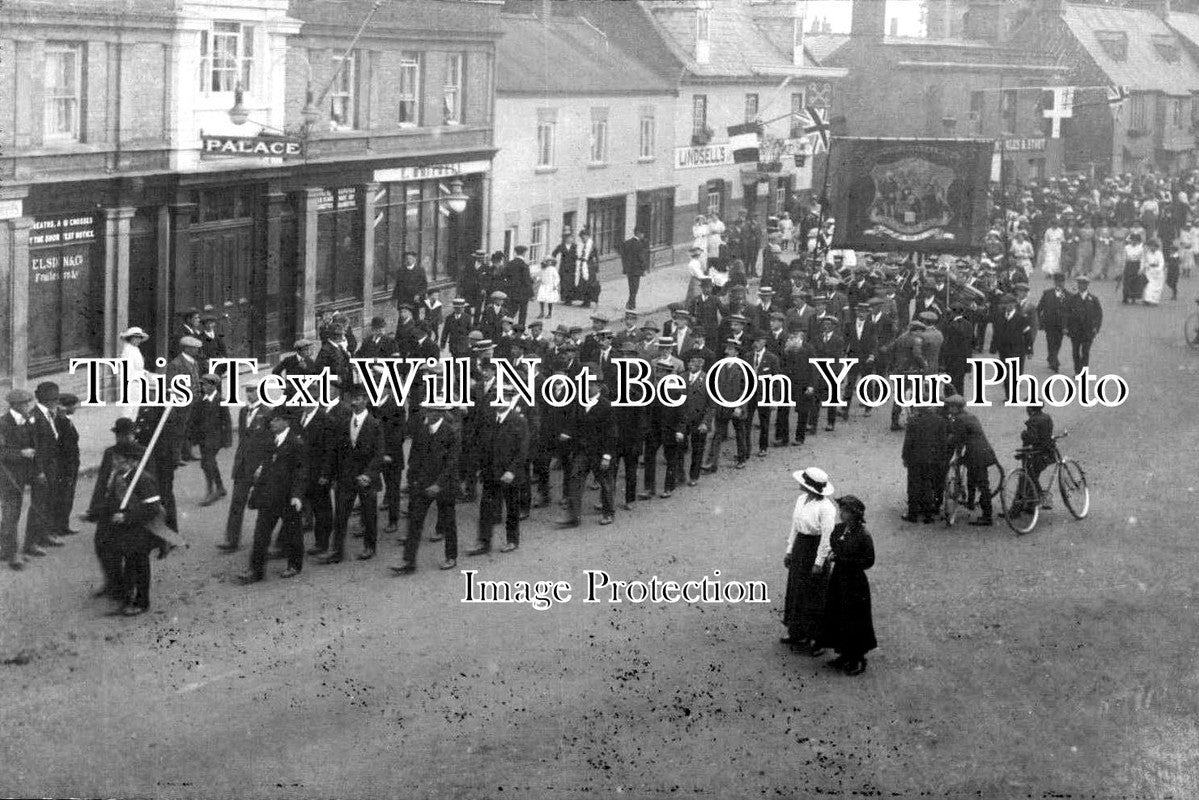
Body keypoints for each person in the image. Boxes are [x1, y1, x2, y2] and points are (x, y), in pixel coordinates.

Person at [84, 441, 169, 615]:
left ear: (132, 462)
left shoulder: (143, 480)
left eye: (120, 460)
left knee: (140, 566)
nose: (115, 463)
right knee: (128, 564)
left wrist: (127, 516)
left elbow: (152, 509)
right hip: (125, 531)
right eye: (116, 460)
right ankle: (126, 598)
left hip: (140, 530)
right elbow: (112, 501)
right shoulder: (119, 477)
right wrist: (94, 513)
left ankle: (142, 602)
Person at [392, 403, 461, 575]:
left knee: (448, 522)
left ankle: (451, 556)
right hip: (422, 483)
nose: (428, 414)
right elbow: (415, 456)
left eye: (432, 411)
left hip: (444, 485)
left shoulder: (451, 432)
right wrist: (412, 479)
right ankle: (408, 561)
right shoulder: (422, 430)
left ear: (441, 413)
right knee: (415, 521)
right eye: (427, 410)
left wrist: (438, 484)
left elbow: (452, 462)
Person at [240, 411, 307, 584]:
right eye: (271, 420)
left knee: (293, 533)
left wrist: (297, 496)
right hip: (268, 496)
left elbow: (301, 472)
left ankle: (294, 565)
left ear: (286, 422)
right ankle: (256, 571)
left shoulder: (296, 443)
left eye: (276, 420)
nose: (272, 423)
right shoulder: (271, 440)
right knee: (260, 533)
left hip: (287, 498)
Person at [817, 495, 877, 676]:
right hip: (839, 579)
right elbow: (833, 545)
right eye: (841, 510)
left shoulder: (863, 535)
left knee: (854, 618)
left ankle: (857, 658)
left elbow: (868, 561)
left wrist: (842, 559)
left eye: (846, 511)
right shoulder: (839, 529)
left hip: (855, 582)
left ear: (855, 514)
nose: (841, 514)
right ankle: (843, 653)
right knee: (838, 614)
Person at [780, 467, 837, 656]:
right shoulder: (801, 500)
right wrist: (789, 550)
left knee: (814, 594)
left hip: (815, 549)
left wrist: (819, 562)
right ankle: (797, 632)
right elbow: (794, 526)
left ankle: (816, 639)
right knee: (797, 589)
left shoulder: (826, 508)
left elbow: (827, 537)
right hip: (801, 547)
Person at [326, 385, 383, 564]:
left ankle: (369, 547)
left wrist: (369, 474)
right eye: (352, 398)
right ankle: (337, 551)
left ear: (365, 401)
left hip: (366, 478)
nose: (354, 402)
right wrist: (334, 476)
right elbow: (337, 452)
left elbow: (379, 453)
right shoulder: (344, 422)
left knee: (368, 514)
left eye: (358, 399)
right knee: (341, 514)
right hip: (346, 477)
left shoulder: (375, 424)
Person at [87, 418, 141, 596]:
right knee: (102, 545)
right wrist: (94, 507)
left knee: (128, 550)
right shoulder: (110, 452)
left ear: (133, 434)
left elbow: (150, 482)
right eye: (119, 435)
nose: (123, 438)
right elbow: (102, 481)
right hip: (109, 506)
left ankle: (127, 588)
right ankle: (112, 582)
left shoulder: (143, 453)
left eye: (127, 435)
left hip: (132, 507)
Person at [469, 398, 529, 555]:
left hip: (510, 474)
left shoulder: (518, 421)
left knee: (512, 508)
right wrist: (479, 467)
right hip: (491, 472)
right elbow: (482, 445)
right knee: (486, 508)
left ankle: (512, 540)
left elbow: (522, 450)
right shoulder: (489, 419)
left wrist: (512, 471)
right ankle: (483, 541)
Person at [219, 383, 270, 553]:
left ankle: (265, 541)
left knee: (266, 505)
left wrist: (263, 466)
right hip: (243, 465)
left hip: (259, 466)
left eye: (253, 390)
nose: (250, 394)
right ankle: (232, 540)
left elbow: (271, 443)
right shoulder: (243, 412)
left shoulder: (268, 413)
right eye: (247, 391)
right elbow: (242, 439)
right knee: (237, 502)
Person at [0, 389, 40, 570]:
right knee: (11, 514)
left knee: (13, 513)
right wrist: (21, 453)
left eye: (28, 402)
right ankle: (13, 554)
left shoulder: (27, 420)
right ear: (15, 405)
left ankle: (5, 550)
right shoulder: (3, 424)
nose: (28, 406)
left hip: (23, 473)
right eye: (25, 403)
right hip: (7, 475)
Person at [944, 395, 998, 527]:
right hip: (982, 451)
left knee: (982, 484)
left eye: (951, 407)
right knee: (973, 478)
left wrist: (946, 445)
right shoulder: (970, 416)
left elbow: (957, 439)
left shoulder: (959, 420)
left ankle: (987, 516)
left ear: (956, 407)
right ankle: (971, 502)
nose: (949, 409)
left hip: (976, 455)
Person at [901, 406, 949, 524]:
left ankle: (913, 514)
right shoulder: (940, 420)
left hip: (915, 459)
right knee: (928, 485)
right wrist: (942, 459)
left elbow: (908, 441)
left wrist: (905, 457)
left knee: (913, 486)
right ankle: (928, 515)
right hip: (932, 460)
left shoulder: (913, 421)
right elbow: (943, 442)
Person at [192, 374, 232, 507]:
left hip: (215, 438)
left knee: (207, 462)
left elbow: (227, 421)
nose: (203, 387)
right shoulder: (200, 401)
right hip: (203, 438)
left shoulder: (221, 400)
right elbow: (195, 420)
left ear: (213, 386)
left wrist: (227, 440)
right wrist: (193, 437)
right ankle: (220, 487)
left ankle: (210, 491)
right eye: (202, 384)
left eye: (205, 384)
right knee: (208, 463)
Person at [53, 394, 81, 538]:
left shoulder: (66, 420)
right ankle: (58, 527)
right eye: (74, 404)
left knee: (68, 496)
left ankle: (63, 525)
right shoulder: (60, 421)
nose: (76, 407)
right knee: (63, 497)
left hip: (71, 465)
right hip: (65, 466)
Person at [1019, 403, 1055, 510]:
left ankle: (1015, 511)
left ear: (1030, 408)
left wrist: (1024, 434)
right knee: (1032, 478)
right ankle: (1031, 505)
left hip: (1036, 455)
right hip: (1046, 454)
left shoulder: (1033, 420)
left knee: (1024, 479)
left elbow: (1032, 438)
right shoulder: (1047, 417)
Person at [1067, 275, 1103, 374]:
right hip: (1075, 331)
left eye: (1084, 284)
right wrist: (1067, 327)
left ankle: (1083, 372)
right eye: (1080, 284)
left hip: (1088, 331)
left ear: (1087, 285)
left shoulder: (1093, 299)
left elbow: (1099, 315)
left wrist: (1096, 328)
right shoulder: (1073, 298)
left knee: (1085, 352)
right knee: (1075, 352)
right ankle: (1077, 370)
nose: (1081, 286)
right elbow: (1067, 313)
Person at [1037, 274, 1071, 373]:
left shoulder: (1069, 295)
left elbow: (1070, 312)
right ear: (1054, 282)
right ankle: (1054, 361)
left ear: (1064, 282)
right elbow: (1039, 308)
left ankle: (1051, 357)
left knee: (1058, 343)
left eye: (1061, 282)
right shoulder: (1047, 293)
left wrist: (1068, 325)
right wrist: (1039, 320)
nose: (1059, 284)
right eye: (1057, 282)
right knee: (1051, 342)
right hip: (1049, 323)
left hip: (1061, 325)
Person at [118, 326, 149, 416]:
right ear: (130, 338)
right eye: (135, 338)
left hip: (138, 381)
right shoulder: (128, 350)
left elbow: (139, 367)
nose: (138, 340)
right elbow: (128, 369)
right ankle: (125, 426)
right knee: (129, 407)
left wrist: (145, 374)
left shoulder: (135, 349)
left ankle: (131, 425)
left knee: (135, 407)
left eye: (139, 338)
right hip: (131, 382)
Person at [620, 227, 650, 311]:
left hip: (629, 270)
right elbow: (641, 258)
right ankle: (631, 304)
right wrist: (644, 269)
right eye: (642, 234)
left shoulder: (627, 243)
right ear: (638, 233)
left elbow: (624, 257)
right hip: (636, 270)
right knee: (635, 288)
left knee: (631, 287)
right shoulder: (639, 245)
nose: (643, 235)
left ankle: (630, 303)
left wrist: (625, 268)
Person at [1122, 232, 1144, 304]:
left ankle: (1133, 298)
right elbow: (1124, 258)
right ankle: (1125, 297)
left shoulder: (1141, 249)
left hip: (1136, 265)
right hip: (1129, 265)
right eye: (1132, 240)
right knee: (1127, 282)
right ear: (1130, 240)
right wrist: (1123, 267)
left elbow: (1142, 259)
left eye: (1135, 240)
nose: (1134, 241)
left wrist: (1141, 269)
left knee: (1135, 282)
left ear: (1138, 241)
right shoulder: (1127, 247)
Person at [1142, 238, 1165, 306]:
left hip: (1158, 271)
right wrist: (1145, 267)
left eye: (1154, 246)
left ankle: (1155, 301)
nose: (1152, 248)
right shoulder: (1147, 253)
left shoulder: (1159, 253)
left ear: (1156, 247)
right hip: (1150, 271)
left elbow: (1161, 262)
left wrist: (1159, 269)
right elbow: (1145, 262)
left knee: (1158, 286)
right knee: (1150, 285)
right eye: (1150, 246)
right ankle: (1148, 299)